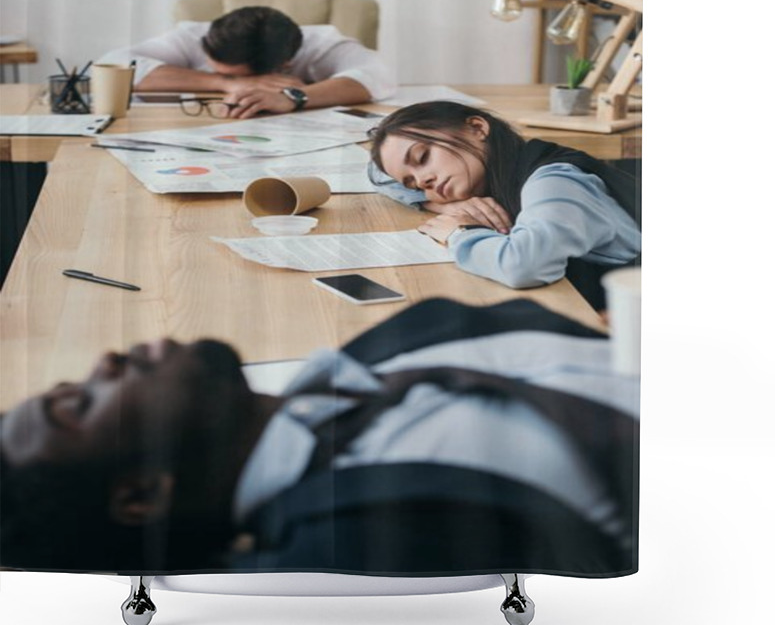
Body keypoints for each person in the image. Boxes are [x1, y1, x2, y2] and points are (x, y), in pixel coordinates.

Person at [0, 298, 639, 576]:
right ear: (142, 494)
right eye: (82, 404)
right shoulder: (355, 547)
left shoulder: (359, 366)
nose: (105, 361)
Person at [368, 101, 641, 310]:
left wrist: (460, 232)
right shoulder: (501, 174)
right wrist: (441, 205)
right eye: (412, 184)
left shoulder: (554, 179)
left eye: (423, 156)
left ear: (477, 128)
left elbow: (525, 266)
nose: (423, 180)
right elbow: (376, 175)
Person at [98, 6, 396, 117]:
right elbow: (113, 63)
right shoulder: (195, 35)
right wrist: (230, 82)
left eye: (236, 73)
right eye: (216, 68)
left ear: (284, 65)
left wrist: (294, 97)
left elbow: (378, 74)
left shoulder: (321, 43)